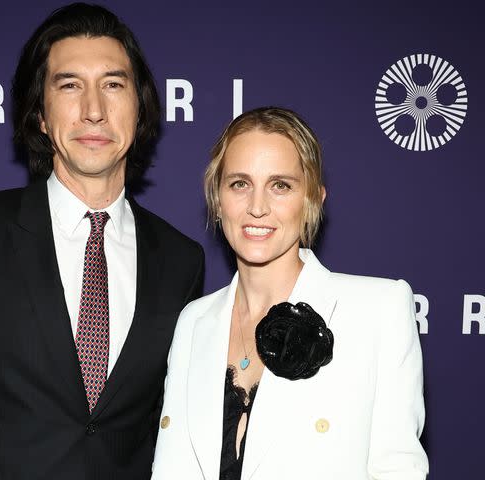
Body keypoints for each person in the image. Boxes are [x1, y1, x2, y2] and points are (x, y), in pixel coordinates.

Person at [0, 4, 204, 479]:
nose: (94, 110)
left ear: (140, 108)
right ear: (40, 115)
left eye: (113, 85)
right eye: (70, 85)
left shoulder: (181, 259)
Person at [151, 106, 428, 479]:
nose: (257, 207)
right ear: (218, 200)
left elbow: (398, 471)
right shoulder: (194, 321)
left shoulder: (377, 311)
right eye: (239, 184)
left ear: (313, 198)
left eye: (280, 185)